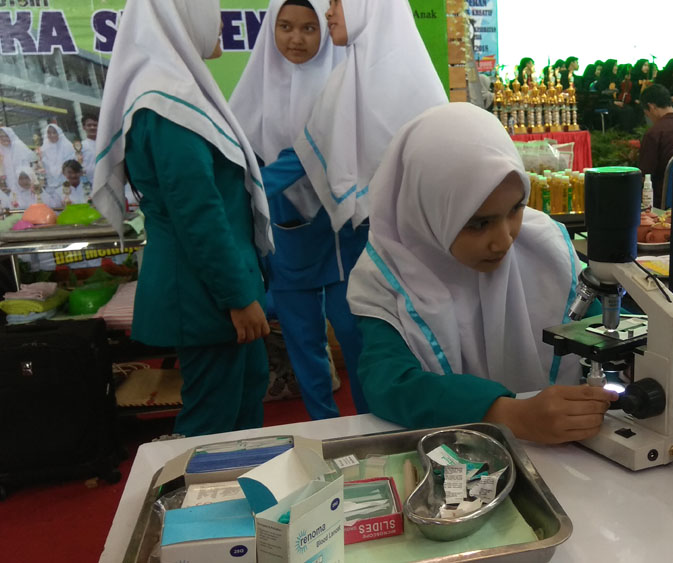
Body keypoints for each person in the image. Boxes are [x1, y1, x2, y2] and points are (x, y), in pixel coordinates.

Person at [347, 103, 673, 444]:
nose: (505, 239)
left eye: (516, 209)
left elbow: (603, 330)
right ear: (427, 213)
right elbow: (391, 383)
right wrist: (508, 414)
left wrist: (670, 374)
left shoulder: (541, 247)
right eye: (478, 223)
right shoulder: (389, 275)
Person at [91, 0, 273, 437]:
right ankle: (200, 505)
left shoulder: (179, 93)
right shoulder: (165, 105)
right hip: (204, 295)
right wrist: (237, 297)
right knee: (213, 421)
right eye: (213, 10)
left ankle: (238, 498)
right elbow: (199, 215)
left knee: (243, 401)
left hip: (214, 288)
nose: (221, 23)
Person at [274, 0, 447, 412]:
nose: (329, 13)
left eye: (336, 3)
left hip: (404, 242)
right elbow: (306, 157)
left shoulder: (398, 77)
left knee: (421, 346)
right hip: (367, 238)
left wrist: (245, 190)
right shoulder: (350, 75)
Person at [230, 0, 352, 420]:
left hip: (340, 230)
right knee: (303, 339)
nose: (296, 39)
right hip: (284, 229)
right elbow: (240, 153)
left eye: (308, 28)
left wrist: (251, 189)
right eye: (284, 26)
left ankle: (373, 424)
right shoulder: (257, 84)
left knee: (356, 334)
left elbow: (312, 151)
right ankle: (325, 426)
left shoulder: (341, 79)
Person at [40, 124, 77, 190]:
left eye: (54, 132)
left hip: (67, 182)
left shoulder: (67, 146)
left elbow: (71, 164)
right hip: (51, 185)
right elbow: (45, 168)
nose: (52, 135)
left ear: (59, 133)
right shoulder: (44, 149)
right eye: (49, 133)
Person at [80, 114, 99, 183]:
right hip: (90, 183)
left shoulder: (105, 144)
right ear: (84, 127)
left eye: (95, 125)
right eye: (89, 125)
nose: (92, 127)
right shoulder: (81, 146)